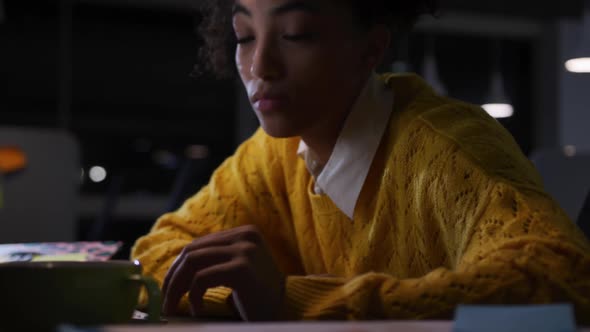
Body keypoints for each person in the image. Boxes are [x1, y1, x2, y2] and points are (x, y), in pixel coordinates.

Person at [131, 0, 590, 322]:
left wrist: (292, 299)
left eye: (296, 35)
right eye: (245, 37)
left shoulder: (445, 148)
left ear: (370, 49)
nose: (260, 66)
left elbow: (559, 278)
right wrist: (247, 296)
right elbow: (153, 255)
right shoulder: (271, 154)